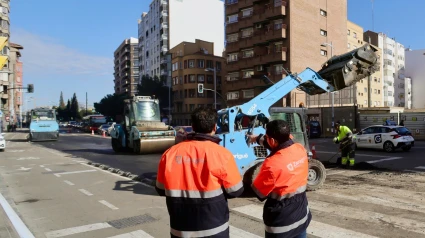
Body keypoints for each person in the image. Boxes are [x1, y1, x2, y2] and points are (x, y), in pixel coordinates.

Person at [155, 107, 244, 238]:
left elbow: (160, 189)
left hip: (180, 230)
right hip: (214, 229)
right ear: (214, 127)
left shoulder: (170, 154)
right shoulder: (222, 154)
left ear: (192, 126)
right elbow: (236, 191)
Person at [248, 120, 311, 238]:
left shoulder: (272, 164)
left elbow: (259, 193)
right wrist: (258, 138)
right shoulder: (300, 149)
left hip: (281, 224)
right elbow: (282, 144)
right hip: (301, 216)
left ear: (272, 140)